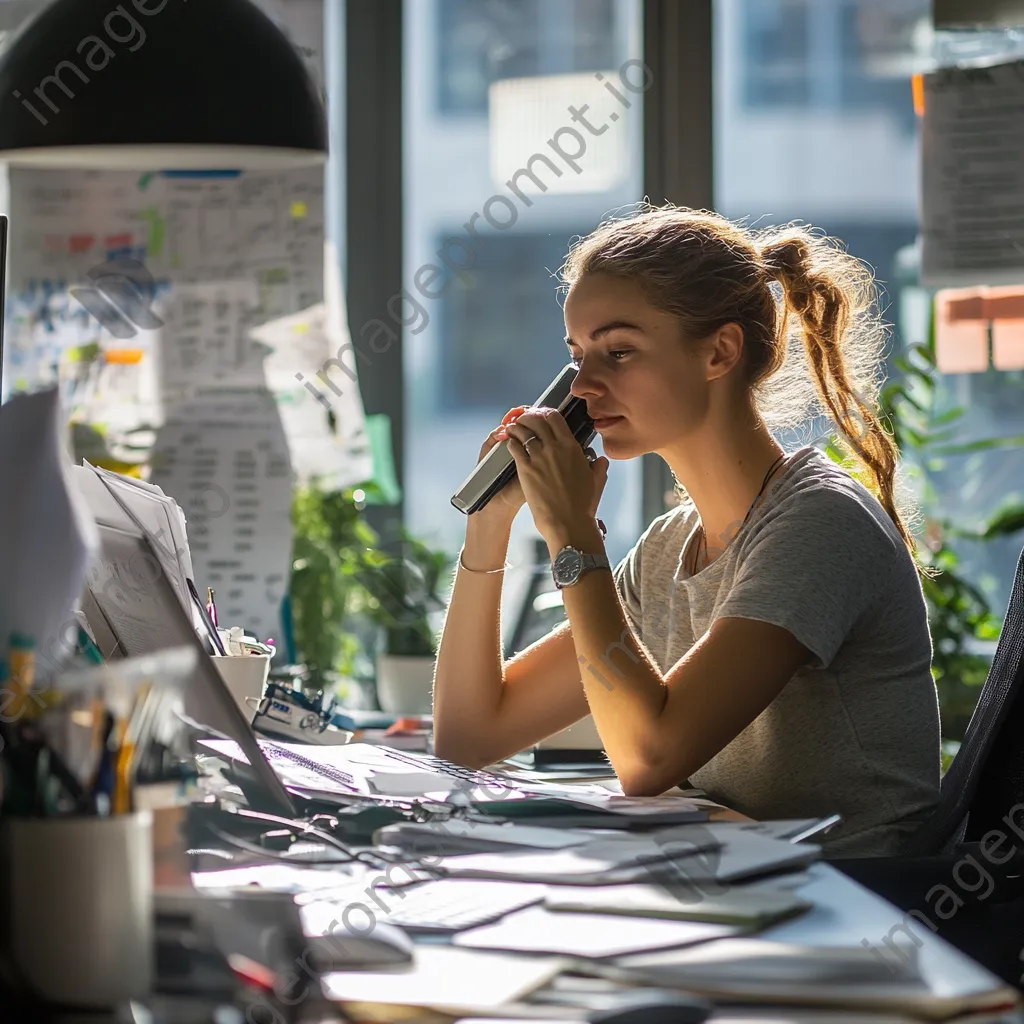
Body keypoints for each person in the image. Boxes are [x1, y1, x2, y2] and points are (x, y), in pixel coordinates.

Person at [432, 204, 941, 857]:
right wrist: (490, 525)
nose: (583, 388)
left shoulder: (820, 521)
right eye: (577, 356)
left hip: (859, 903)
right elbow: (468, 739)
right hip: (745, 886)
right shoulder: (670, 549)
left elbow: (649, 758)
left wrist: (574, 537)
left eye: (619, 352)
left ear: (719, 352)